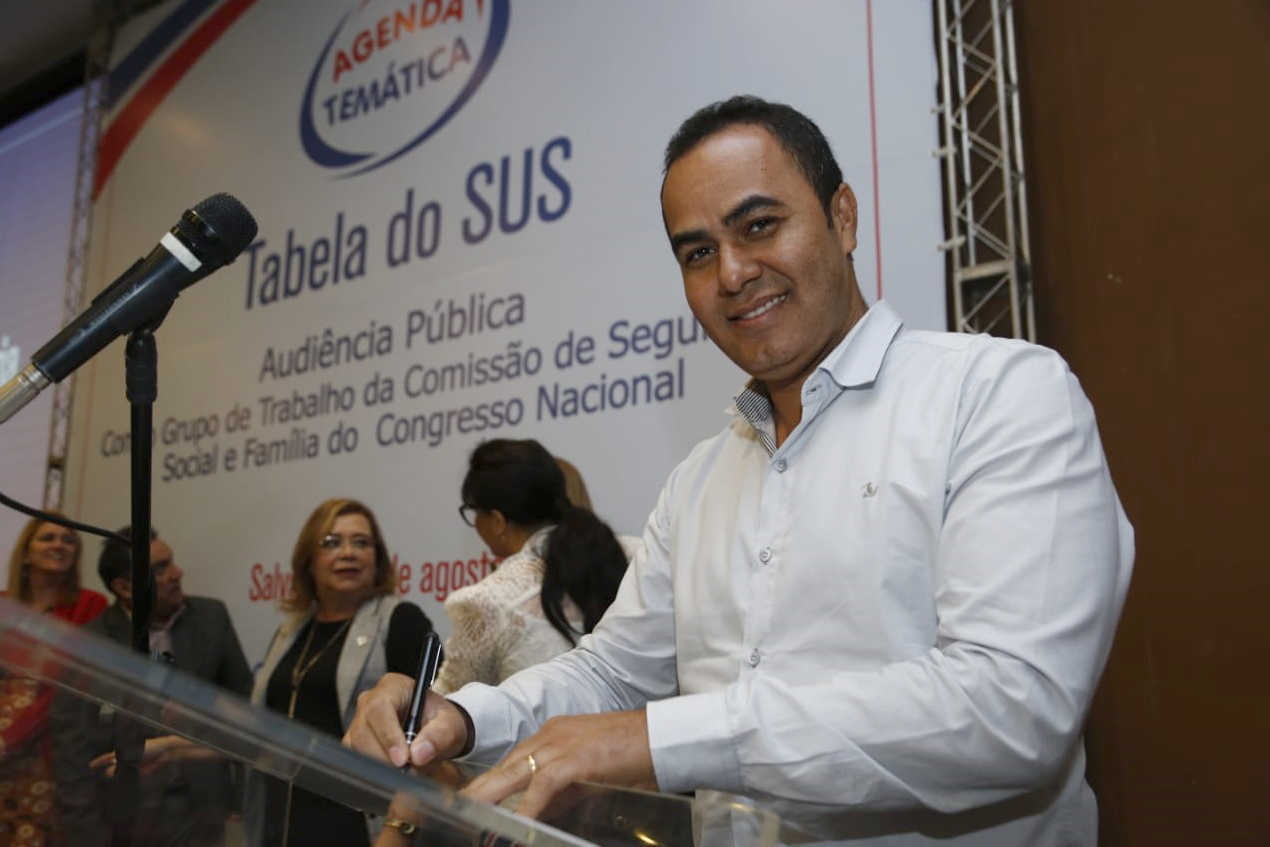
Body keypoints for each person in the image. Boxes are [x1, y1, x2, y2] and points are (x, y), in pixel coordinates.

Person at [344, 95, 1134, 845]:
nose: (731, 273)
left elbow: (1011, 707)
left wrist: (668, 739)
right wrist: (461, 718)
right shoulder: (698, 480)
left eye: (759, 225)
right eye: (698, 252)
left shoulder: (998, 395)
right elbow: (613, 677)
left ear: (844, 217)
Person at [245, 498, 435, 847]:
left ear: (377, 558)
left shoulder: (400, 620)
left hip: (357, 827)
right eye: (332, 542)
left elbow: (431, 734)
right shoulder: (292, 630)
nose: (348, 553)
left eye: (361, 542)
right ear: (309, 559)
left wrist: (399, 829)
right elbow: (259, 726)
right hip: (281, 822)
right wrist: (171, 746)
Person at [51, 527, 254, 846]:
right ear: (125, 588)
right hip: (128, 817)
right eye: (160, 569)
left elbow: (244, 706)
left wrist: (241, 796)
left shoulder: (211, 617)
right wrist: (87, 834)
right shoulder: (91, 645)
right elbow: (71, 749)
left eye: (171, 561)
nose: (177, 573)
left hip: (205, 809)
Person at [432, 439, 630, 695]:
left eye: (474, 512)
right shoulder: (621, 556)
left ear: (497, 521)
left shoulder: (486, 601)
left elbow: (446, 704)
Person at [0, 514, 107, 847]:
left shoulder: (90, 606)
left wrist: (9, 739)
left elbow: (70, 687)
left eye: (68, 540)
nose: (59, 545)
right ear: (26, 553)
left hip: (48, 748)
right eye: (48, 538)